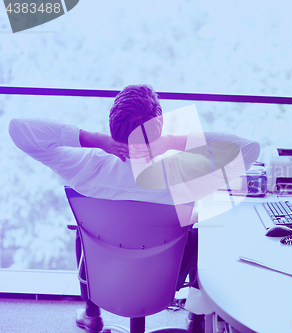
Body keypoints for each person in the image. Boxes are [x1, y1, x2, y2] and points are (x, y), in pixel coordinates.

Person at [9, 84, 261, 333]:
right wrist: (173, 141)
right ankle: (196, 319)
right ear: (159, 126)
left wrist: (94, 140)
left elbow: (18, 129)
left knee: (83, 230)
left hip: (105, 276)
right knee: (199, 233)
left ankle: (91, 313)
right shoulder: (181, 173)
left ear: (112, 126)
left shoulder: (85, 167)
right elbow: (250, 150)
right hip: (166, 279)